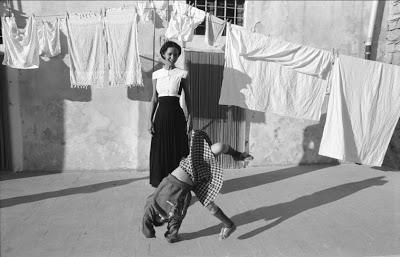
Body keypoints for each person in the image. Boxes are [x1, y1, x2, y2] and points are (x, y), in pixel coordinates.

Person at [142, 130, 253, 243]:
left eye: (158, 219)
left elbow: (146, 216)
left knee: (220, 147)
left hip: (187, 169)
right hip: (194, 183)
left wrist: (149, 231)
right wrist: (172, 236)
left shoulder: (154, 203)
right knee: (209, 204)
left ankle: (237, 155)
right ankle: (229, 225)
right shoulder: (172, 213)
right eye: (162, 221)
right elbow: (176, 220)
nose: (162, 218)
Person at [149, 41, 192, 187]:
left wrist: (190, 118)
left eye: (176, 54)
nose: (172, 57)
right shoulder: (156, 74)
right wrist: (150, 120)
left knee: (177, 148)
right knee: (160, 149)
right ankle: (161, 184)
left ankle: (178, 183)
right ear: (163, 54)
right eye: (170, 54)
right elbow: (154, 98)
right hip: (160, 116)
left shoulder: (182, 74)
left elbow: (189, 98)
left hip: (177, 116)